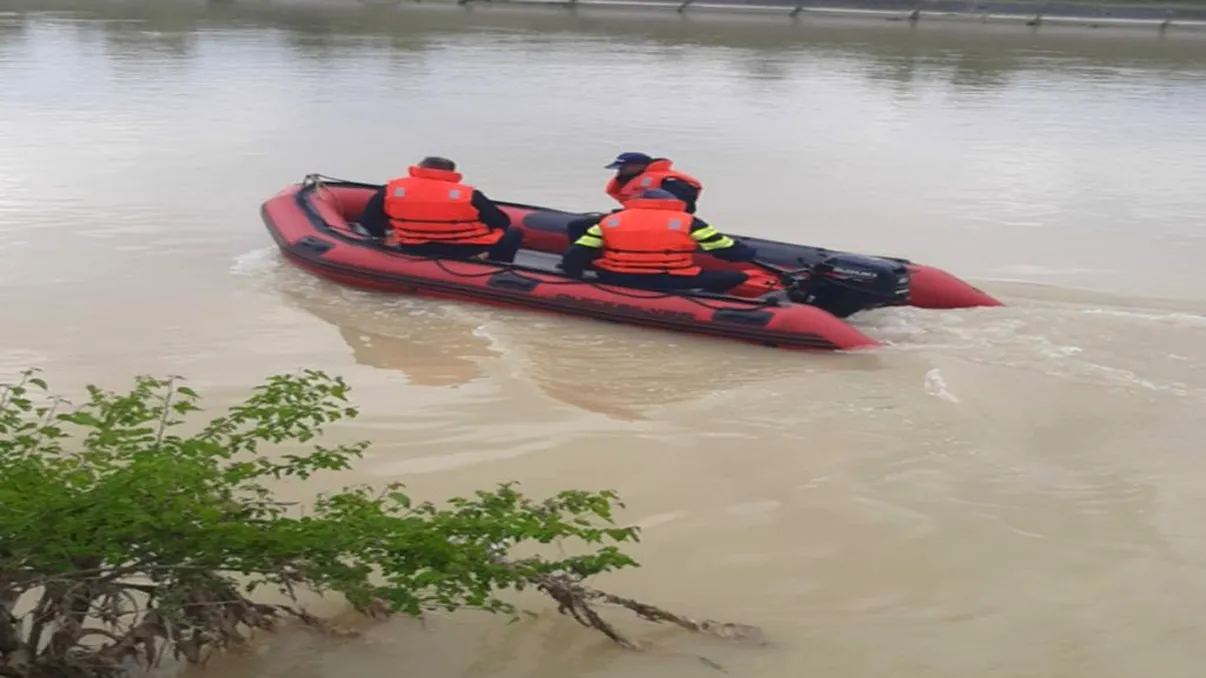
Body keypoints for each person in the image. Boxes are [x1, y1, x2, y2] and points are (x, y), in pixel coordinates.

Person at [558, 189, 757, 294]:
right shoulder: (688, 222)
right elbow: (724, 250)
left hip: (614, 276)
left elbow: (578, 251)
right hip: (668, 278)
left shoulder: (611, 221)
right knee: (735, 277)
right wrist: (748, 253)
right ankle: (700, 299)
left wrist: (575, 275)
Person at [357, 157, 523, 263]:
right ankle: (495, 267)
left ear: (419, 169)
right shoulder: (468, 194)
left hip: (413, 247)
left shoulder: (390, 190)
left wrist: (383, 236)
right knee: (512, 233)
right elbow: (501, 221)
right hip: (467, 248)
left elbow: (368, 220)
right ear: (451, 173)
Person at [603, 152, 703, 214]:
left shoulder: (669, 180)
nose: (619, 171)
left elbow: (685, 207)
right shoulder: (630, 179)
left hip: (666, 220)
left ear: (638, 165)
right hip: (638, 215)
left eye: (623, 168)